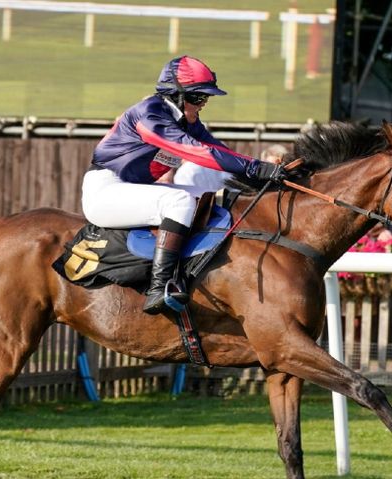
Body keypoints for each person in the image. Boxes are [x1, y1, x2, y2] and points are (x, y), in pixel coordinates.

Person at [81, 55, 289, 314]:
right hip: (106, 191)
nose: (203, 105)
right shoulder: (149, 113)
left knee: (209, 196)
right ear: (176, 95)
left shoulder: (185, 120)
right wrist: (257, 168)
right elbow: (199, 152)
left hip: (134, 188)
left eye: (206, 99)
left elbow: (217, 150)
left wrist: (267, 173)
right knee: (178, 202)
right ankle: (159, 287)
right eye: (198, 97)